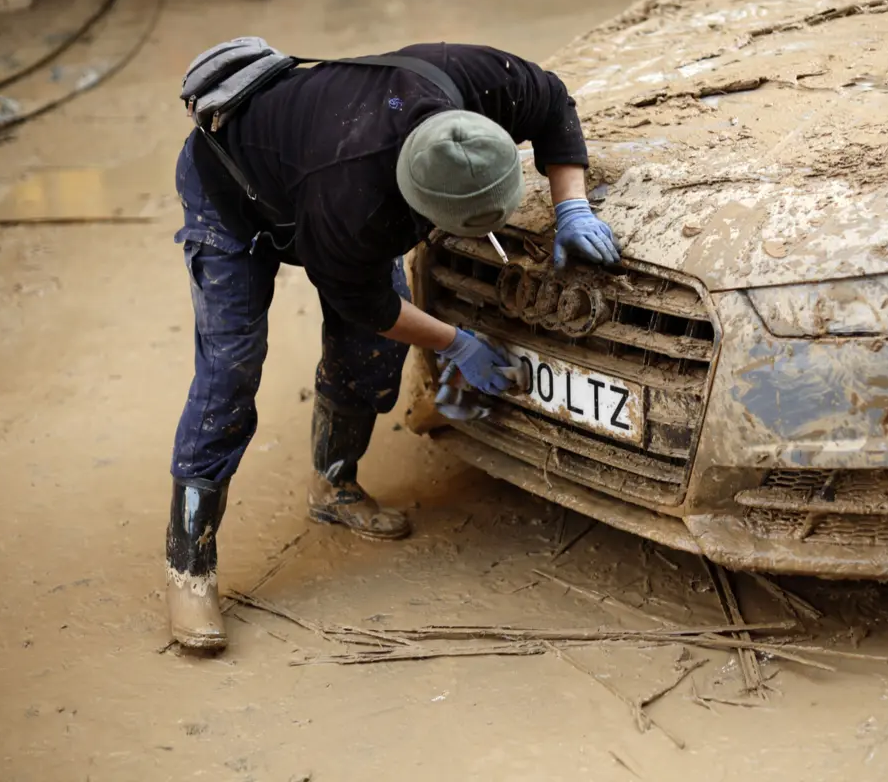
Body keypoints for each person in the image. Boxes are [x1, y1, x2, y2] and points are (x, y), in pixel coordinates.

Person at [167, 41, 620, 650]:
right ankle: (189, 568)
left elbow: (554, 102)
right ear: (411, 201)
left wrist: (572, 206)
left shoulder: (476, 79)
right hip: (231, 191)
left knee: (369, 355)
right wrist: (458, 342)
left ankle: (334, 486)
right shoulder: (351, 200)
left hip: (311, 151)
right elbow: (367, 306)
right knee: (231, 370)